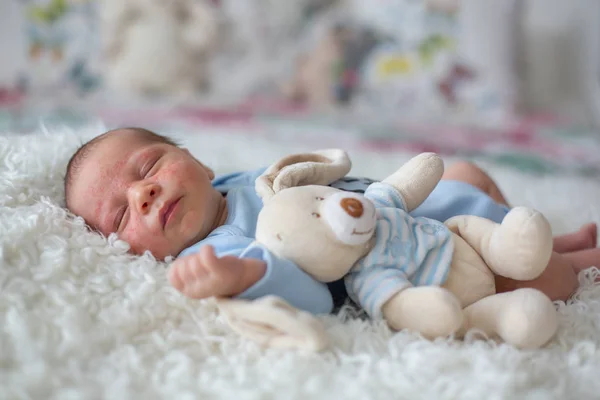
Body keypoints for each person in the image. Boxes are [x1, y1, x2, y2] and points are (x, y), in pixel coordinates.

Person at [64, 127, 598, 315]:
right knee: (541, 277)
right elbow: (312, 297)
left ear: (200, 164)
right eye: (120, 213)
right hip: (432, 262)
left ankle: (557, 238)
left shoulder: (231, 182)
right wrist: (243, 280)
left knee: (468, 173)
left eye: (151, 164)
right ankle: (579, 261)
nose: (145, 191)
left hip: (409, 207)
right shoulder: (224, 251)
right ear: (126, 252)